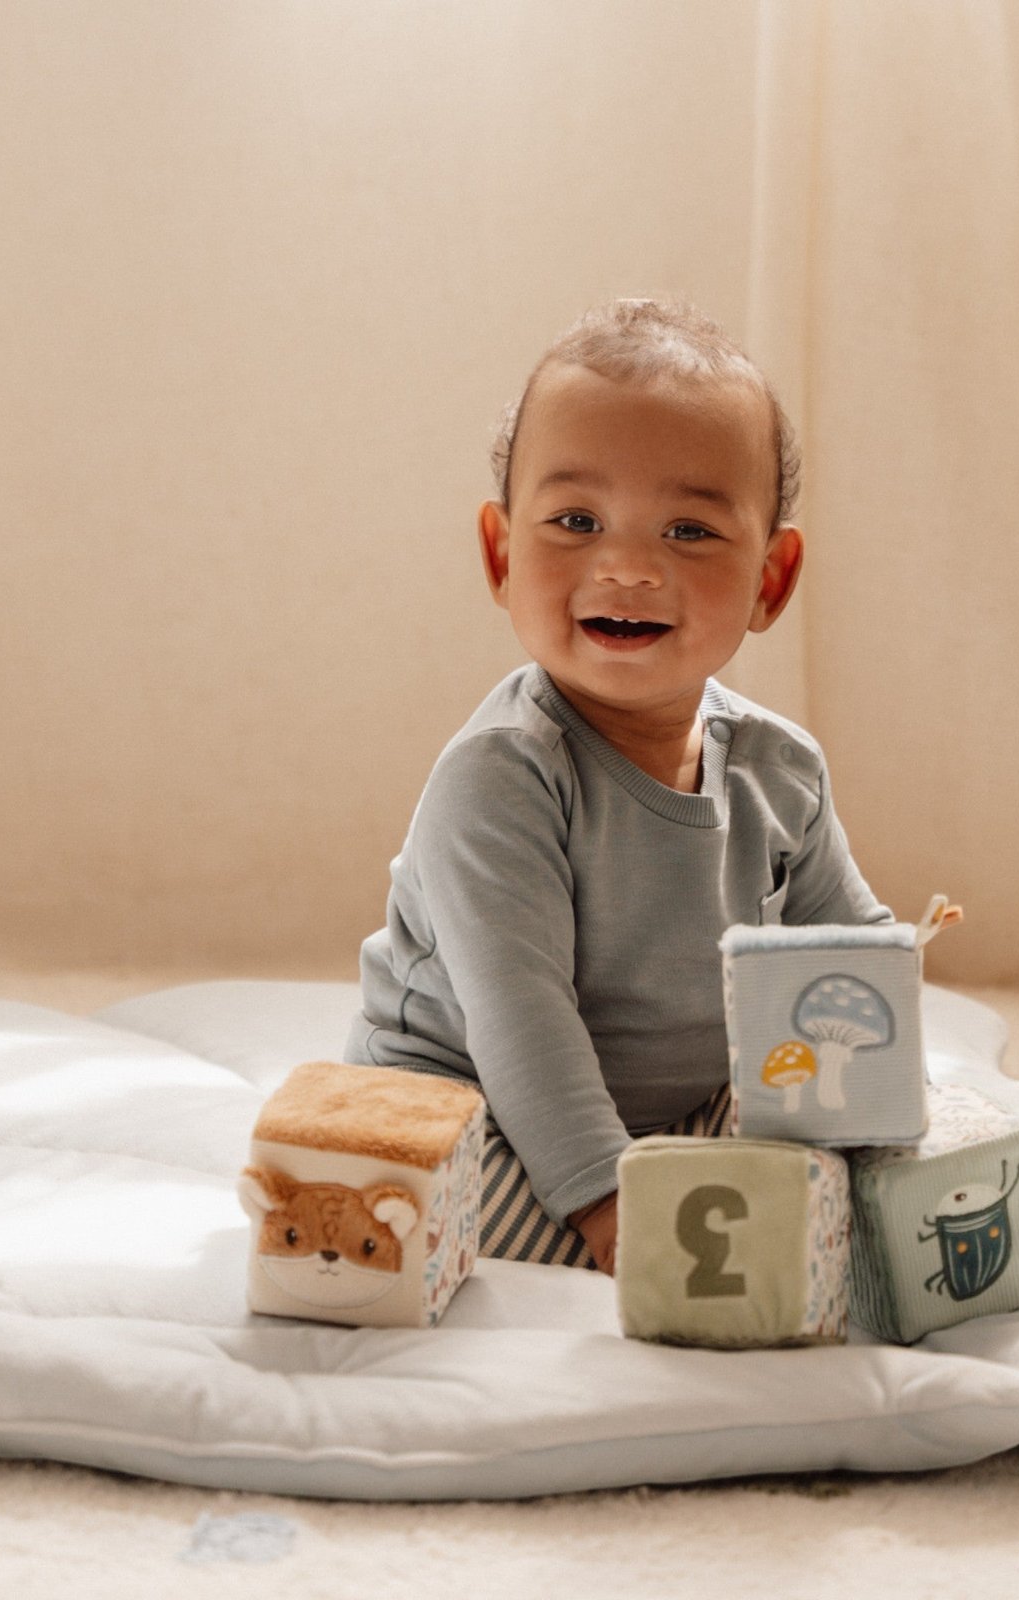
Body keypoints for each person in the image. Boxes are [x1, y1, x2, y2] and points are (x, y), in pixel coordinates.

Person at [343, 299, 890, 1274]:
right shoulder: (501, 778)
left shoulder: (780, 772)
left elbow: (841, 955)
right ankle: (615, 1222)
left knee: (829, 1138)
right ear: (501, 555)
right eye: (576, 521)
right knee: (414, 1202)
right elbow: (521, 1023)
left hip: (669, 1104)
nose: (629, 565)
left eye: (689, 529)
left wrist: (879, 1104)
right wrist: (608, 1202)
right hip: (473, 1096)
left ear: (770, 580)